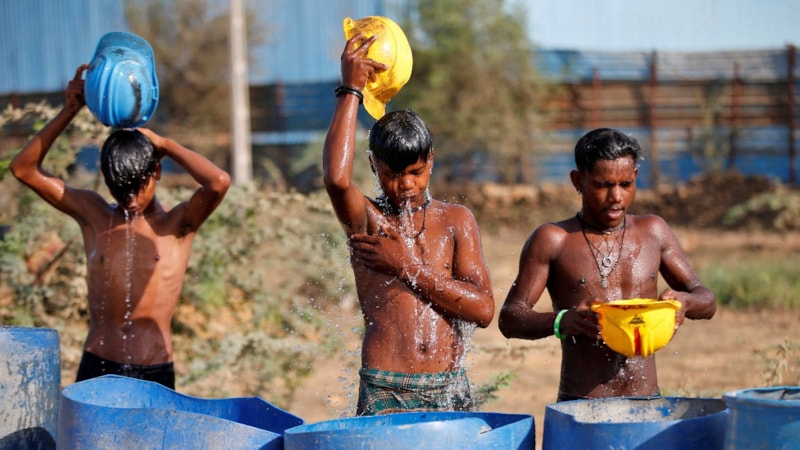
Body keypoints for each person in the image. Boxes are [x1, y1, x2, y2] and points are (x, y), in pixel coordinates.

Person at [10, 65, 231, 389]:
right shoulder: (93, 214)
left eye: (136, 188)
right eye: (118, 190)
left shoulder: (179, 224)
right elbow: (24, 169)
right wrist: (70, 110)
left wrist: (165, 144)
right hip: (97, 364)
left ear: (156, 172)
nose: (128, 200)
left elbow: (218, 182)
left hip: (154, 370)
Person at [324, 34, 495, 416]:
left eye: (416, 173)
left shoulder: (455, 221)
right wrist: (350, 89)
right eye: (392, 174)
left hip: (448, 383)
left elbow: (483, 310)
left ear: (431, 160)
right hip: (386, 385)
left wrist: (407, 266)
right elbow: (335, 179)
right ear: (373, 167)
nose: (405, 185)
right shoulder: (369, 220)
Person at [498, 127, 716, 401]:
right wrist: (562, 320)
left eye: (625, 184)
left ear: (635, 177)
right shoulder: (554, 239)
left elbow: (706, 300)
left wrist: (685, 302)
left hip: (647, 400)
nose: (616, 197)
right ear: (578, 181)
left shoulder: (653, 231)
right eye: (603, 185)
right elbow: (510, 318)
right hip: (583, 403)